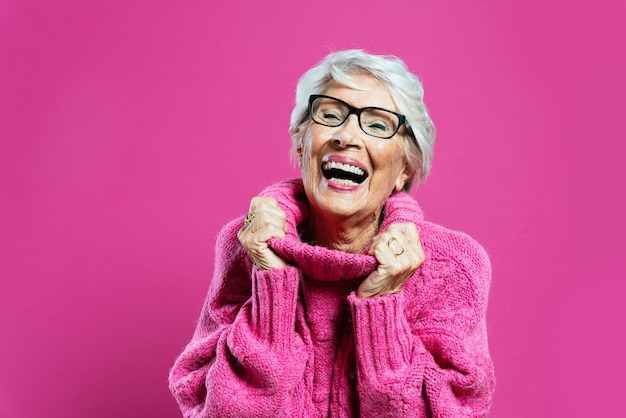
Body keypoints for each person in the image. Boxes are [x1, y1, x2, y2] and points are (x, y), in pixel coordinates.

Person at [168, 49, 495, 417]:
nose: (346, 136)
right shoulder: (246, 244)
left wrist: (380, 303)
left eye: (377, 124)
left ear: (405, 168)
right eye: (330, 114)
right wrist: (272, 282)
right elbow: (215, 411)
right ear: (301, 143)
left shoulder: (452, 266)